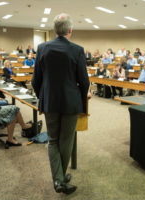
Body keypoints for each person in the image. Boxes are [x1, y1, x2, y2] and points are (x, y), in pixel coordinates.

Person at [32, 13, 90, 195]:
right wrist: (82, 99)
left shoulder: (42, 48)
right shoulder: (78, 50)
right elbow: (84, 81)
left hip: (50, 101)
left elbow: (36, 80)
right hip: (71, 102)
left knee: (53, 141)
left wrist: (43, 96)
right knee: (66, 141)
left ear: (55, 30)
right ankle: (59, 179)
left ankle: (59, 178)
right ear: (70, 30)